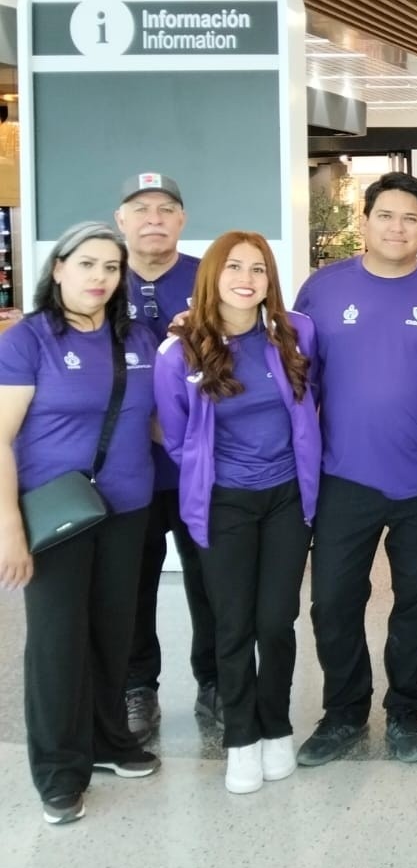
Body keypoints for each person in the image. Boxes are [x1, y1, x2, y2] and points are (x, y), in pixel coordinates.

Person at [292, 173, 417, 768]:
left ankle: (404, 708)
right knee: (333, 603)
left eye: (410, 218)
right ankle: (344, 711)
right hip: (344, 477)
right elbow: (298, 383)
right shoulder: (322, 291)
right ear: (365, 220)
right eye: (386, 216)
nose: (398, 228)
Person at [0, 222, 162, 826]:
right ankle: (58, 771)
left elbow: (156, 421)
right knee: (57, 644)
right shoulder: (29, 340)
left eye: (111, 267)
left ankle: (109, 742)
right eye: (87, 264)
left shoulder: (137, 337)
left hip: (127, 510)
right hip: (56, 514)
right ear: (60, 268)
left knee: (113, 633)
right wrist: (9, 530)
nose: (100, 277)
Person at [154, 232, 321, 796]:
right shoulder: (180, 351)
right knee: (232, 624)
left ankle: (276, 728)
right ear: (212, 276)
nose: (246, 279)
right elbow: (177, 436)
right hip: (223, 502)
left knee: (276, 621)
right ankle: (242, 739)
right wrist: (214, 475)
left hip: (287, 499)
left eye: (258, 269)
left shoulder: (295, 334)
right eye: (234, 267)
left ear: (270, 280)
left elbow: (312, 402)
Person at [114, 172, 216, 742]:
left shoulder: (210, 277)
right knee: (132, 586)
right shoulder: (101, 276)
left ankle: (216, 682)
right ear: (121, 219)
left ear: (182, 219)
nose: (153, 219)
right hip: (127, 471)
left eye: (165, 208)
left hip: (200, 467)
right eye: (141, 209)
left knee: (212, 583)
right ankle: (137, 688)